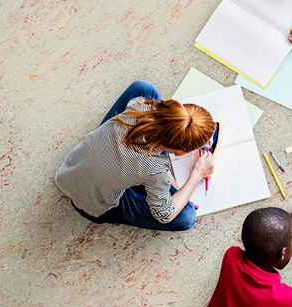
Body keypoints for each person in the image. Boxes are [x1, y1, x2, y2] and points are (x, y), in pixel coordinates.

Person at [54, 80, 216, 231]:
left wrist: (178, 189)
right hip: (90, 205)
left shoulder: (140, 107)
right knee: (186, 216)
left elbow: (155, 158)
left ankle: (112, 151)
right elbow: (165, 215)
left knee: (144, 88)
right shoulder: (155, 167)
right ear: (181, 152)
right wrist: (197, 175)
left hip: (68, 173)